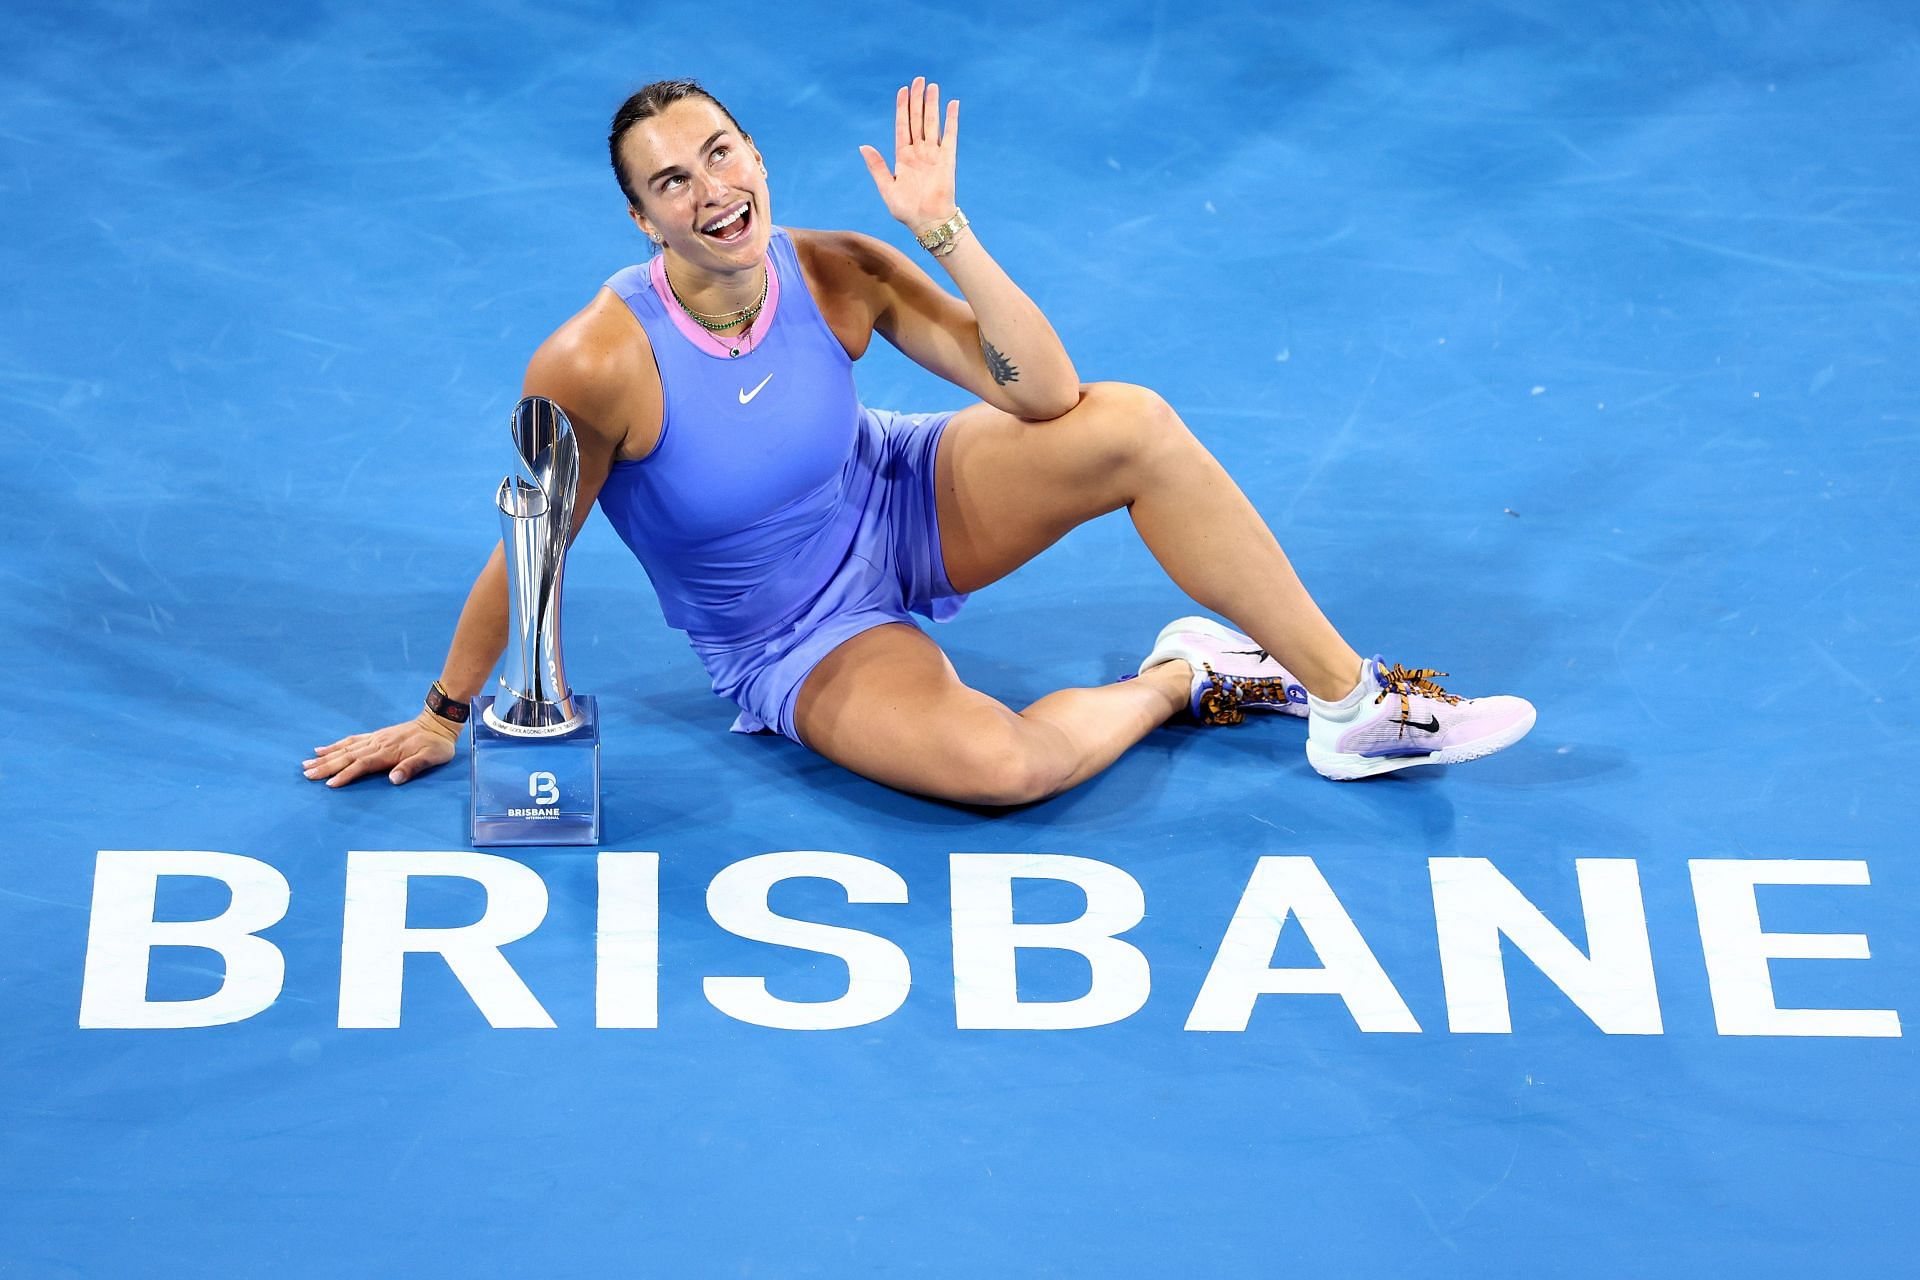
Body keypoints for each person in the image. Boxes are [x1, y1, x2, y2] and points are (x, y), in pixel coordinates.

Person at [303, 77, 1534, 806]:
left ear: (755, 152)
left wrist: (946, 232)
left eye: (720, 152)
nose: (711, 190)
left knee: (1135, 427)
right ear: (641, 216)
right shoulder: (595, 363)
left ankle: (1351, 702)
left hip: (900, 498)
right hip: (792, 634)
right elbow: (532, 550)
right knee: (1001, 771)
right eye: (671, 181)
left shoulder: (836, 270)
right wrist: (443, 713)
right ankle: (1183, 676)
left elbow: (1046, 392)